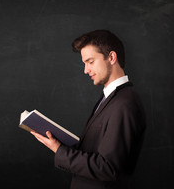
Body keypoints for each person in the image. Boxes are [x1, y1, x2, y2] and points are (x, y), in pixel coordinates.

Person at [31, 30, 146, 189]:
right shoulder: (110, 98)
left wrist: (59, 151)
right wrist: (61, 144)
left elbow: (108, 168)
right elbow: (97, 149)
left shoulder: (124, 104)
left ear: (112, 57)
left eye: (90, 62)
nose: (85, 70)